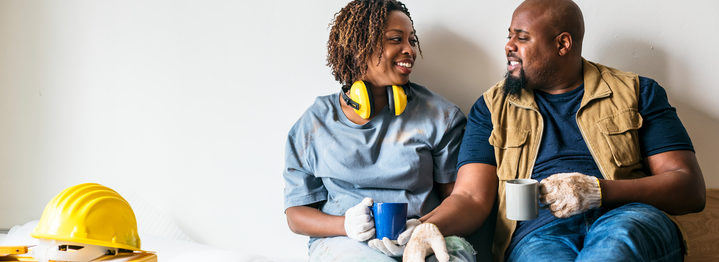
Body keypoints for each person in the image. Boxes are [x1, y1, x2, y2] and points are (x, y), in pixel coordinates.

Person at [456, 0, 707, 261]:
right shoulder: (492, 107)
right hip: (539, 233)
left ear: (562, 44)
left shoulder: (637, 92)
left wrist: (598, 191)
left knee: (613, 250)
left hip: (626, 217)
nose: (509, 46)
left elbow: (689, 189)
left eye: (522, 38)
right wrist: (424, 226)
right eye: (509, 36)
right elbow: (470, 196)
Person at [282, 1, 477, 261]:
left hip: (425, 235)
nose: (409, 49)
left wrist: (422, 228)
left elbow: (459, 198)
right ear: (358, 46)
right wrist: (346, 226)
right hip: (346, 243)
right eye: (396, 39)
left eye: (412, 40)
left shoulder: (440, 116)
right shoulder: (313, 124)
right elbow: (296, 214)